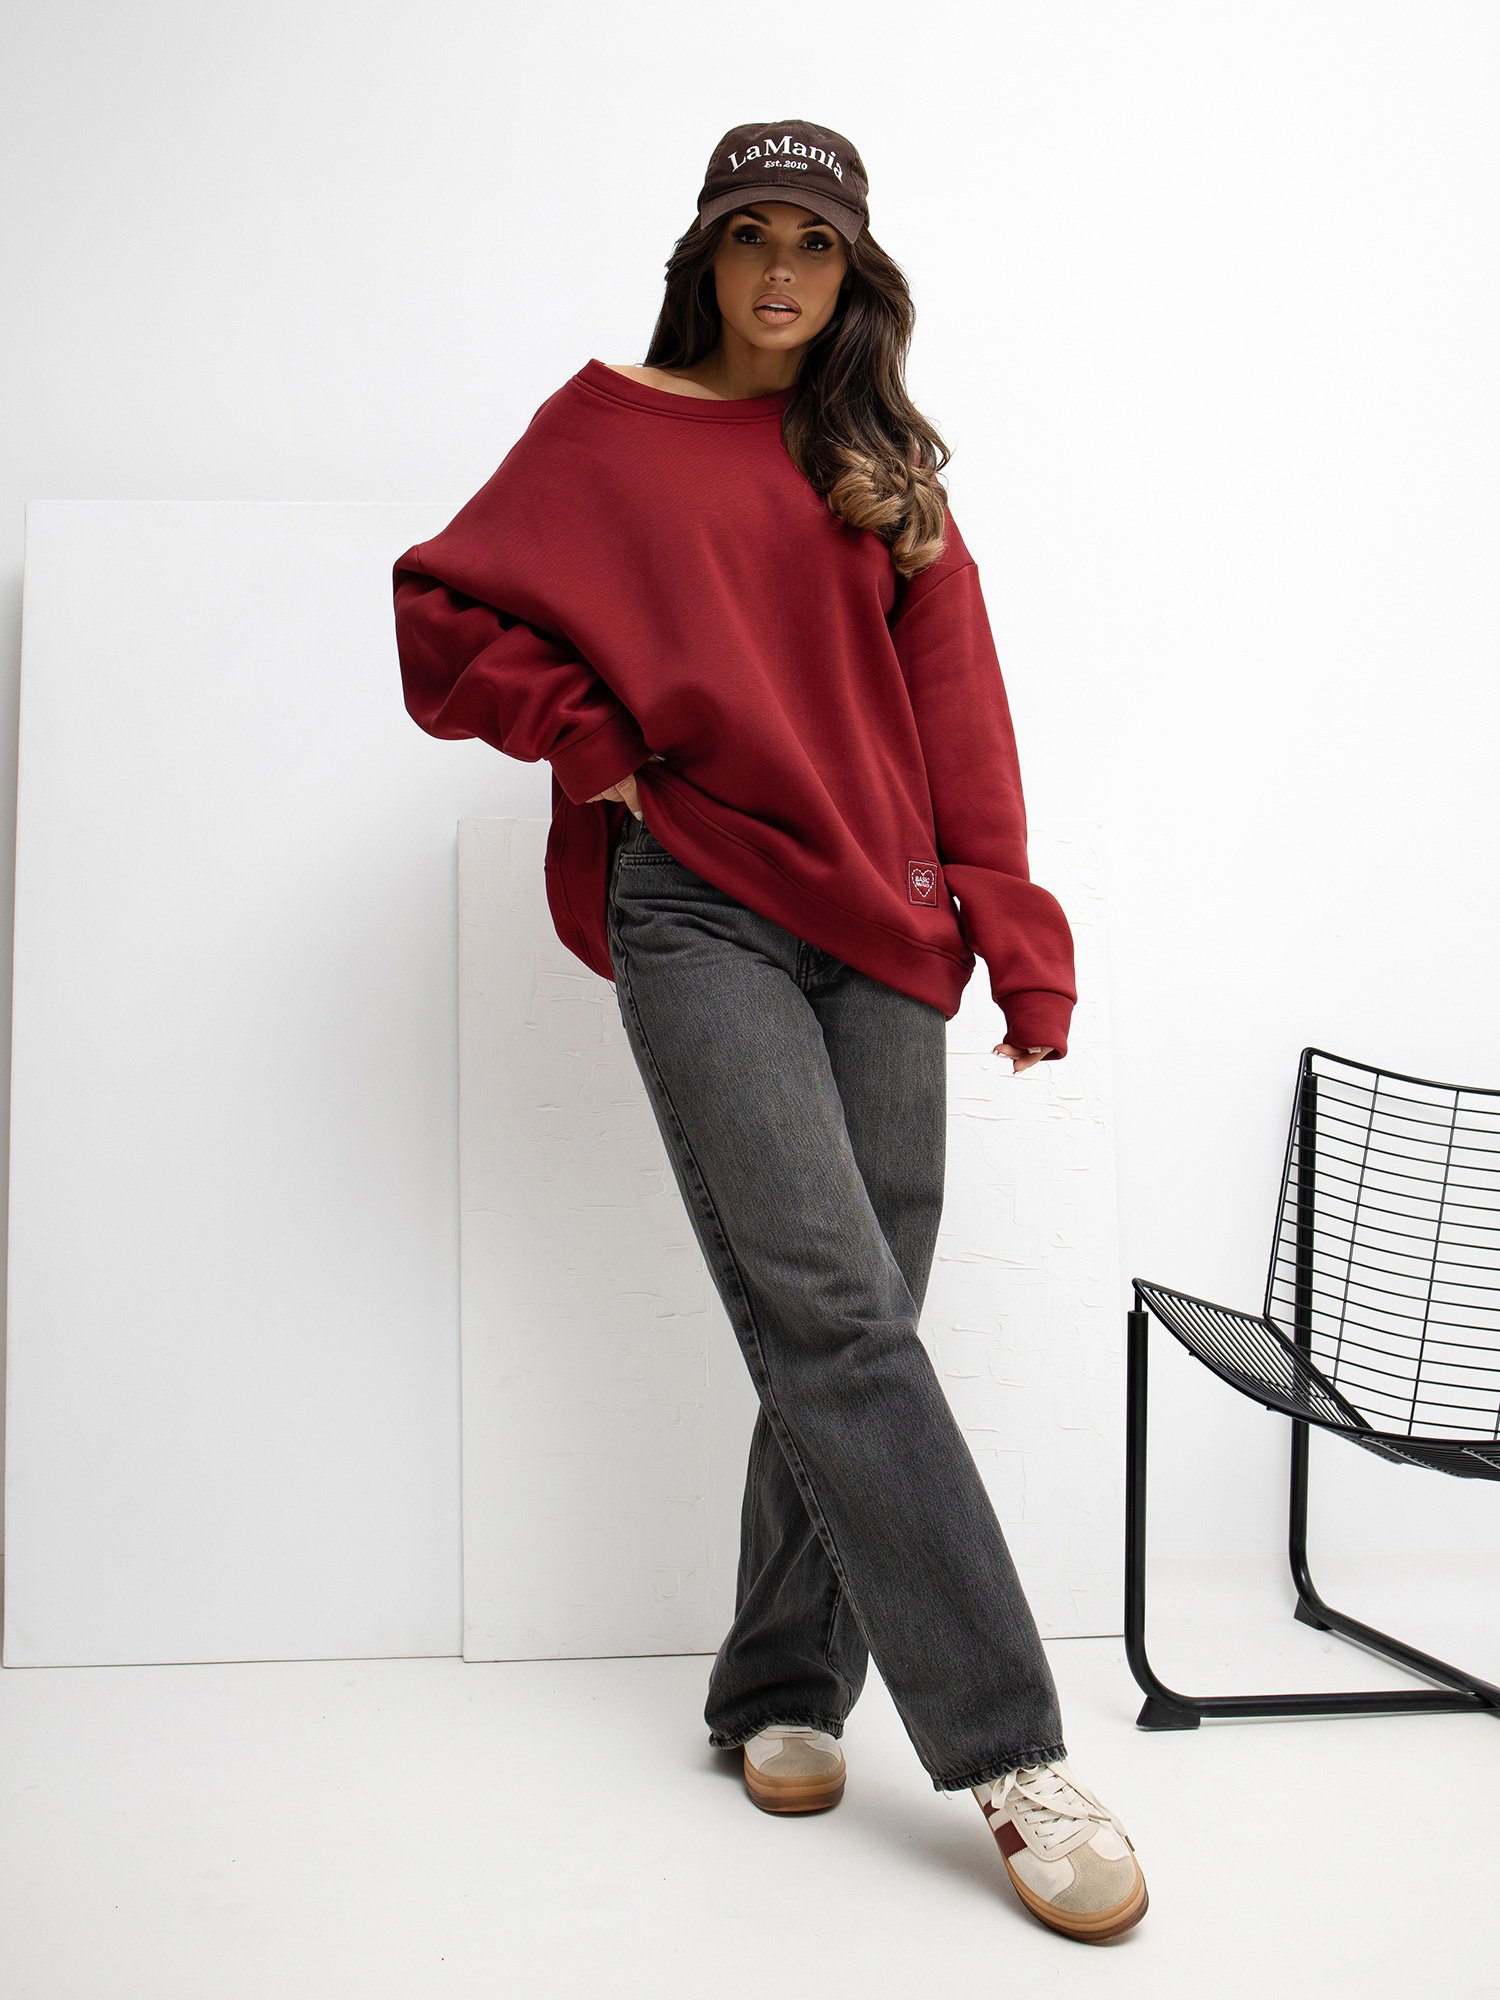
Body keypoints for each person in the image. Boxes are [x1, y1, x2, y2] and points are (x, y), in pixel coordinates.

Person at [391, 118, 1147, 1945]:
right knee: (830, 1305)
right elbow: (440, 608)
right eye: (753, 238)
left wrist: (1014, 938)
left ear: (855, 273)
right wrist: (595, 744)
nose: (783, 272)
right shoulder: (606, 427)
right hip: (701, 906)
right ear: (708, 260)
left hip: (884, 922)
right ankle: (1013, 1754)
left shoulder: (879, 468)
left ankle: (781, 1687)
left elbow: (960, 713)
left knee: (861, 1310)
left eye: (816, 242)